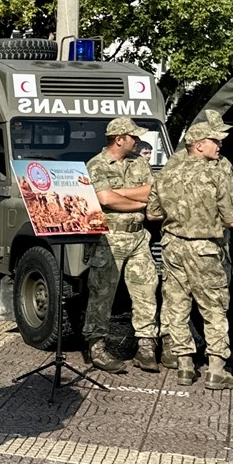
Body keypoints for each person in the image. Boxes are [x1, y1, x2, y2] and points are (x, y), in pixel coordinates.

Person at [147, 117, 233, 390]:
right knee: (213, 307)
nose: (219, 145)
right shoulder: (216, 173)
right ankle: (216, 369)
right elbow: (231, 220)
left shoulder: (166, 173)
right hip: (204, 248)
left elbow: (153, 213)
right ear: (198, 145)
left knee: (176, 306)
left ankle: (185, 367)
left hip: (172, 247)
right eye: (214, 141)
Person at [83, 116, 159, 373]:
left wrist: (122, 195)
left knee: (146, 291)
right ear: (119, 139)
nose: (138, 141)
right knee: (102, 294)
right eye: (133, 136)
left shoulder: (139, 162)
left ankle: (146, 347)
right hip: (110, 239)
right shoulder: (97, 164)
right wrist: (139, 201)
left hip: (139, 237)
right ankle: (96, 346)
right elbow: (105, 199)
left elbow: (154, 191)